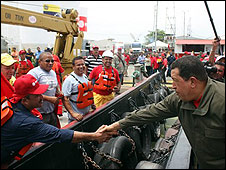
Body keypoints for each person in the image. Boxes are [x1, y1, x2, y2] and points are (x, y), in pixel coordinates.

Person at [103, 55, 225, 169]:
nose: (173, 87)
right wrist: (117, 125)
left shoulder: (221, 102)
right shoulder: (179, 100)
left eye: (175, 80)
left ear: (192, 82)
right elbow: (151, 112)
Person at [1, 74, 117, 168]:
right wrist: (94, 136)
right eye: (37, 95)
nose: (42, 97)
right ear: (25, 100)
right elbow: (60, 134)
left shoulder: (11, 102)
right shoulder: (27, 123)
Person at [27, 52, 62, 127]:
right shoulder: (33, 73)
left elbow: (55, 87)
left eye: (52, 61)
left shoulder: (53, 73)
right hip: (39, 114)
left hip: (51, 112)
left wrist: (59, 92)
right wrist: (49, 98)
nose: (50, 63)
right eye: (47, 61)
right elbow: (29, 93)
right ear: (40, 61)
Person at [62, 56, 96, 123]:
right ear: (73, 66)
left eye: (83, 64)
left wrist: (92, 104)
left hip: (86, 115)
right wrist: (73, 114)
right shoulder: (69, 80)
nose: (81, 67)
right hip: (76, 119)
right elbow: (64, 98)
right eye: (78, 65)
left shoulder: (84, 76)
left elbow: (87, 92)